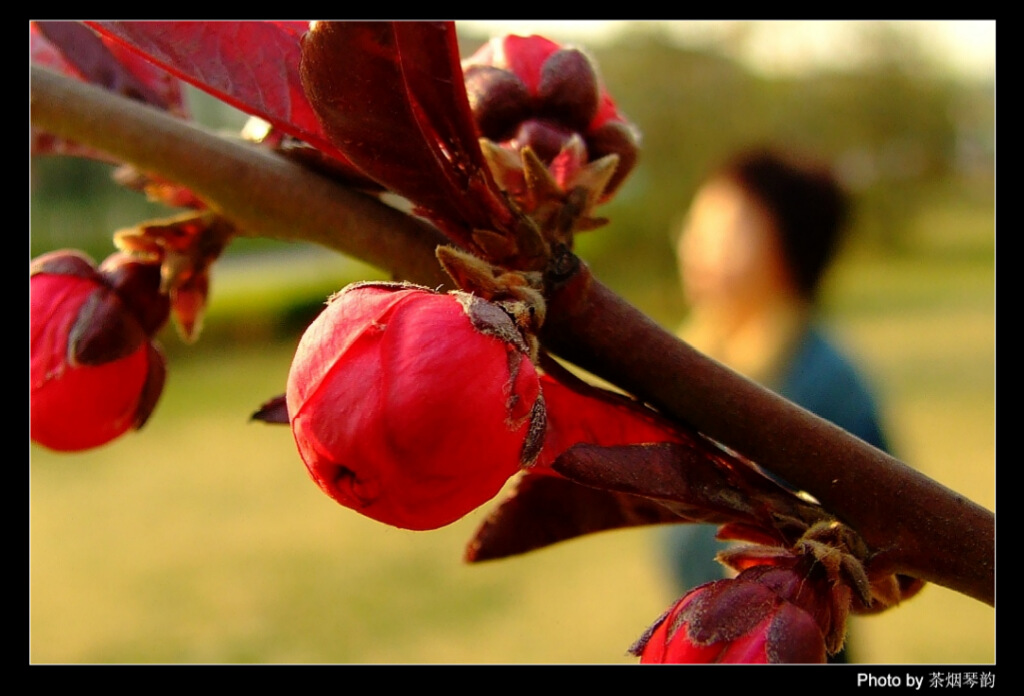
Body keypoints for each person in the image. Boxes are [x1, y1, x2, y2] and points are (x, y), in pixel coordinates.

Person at [662, 147, 891, 662]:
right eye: (696, 227)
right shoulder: (689, 360)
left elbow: (883, 543)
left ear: (787, 245)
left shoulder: (826, 382)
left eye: (727, 232)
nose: (698, 248)